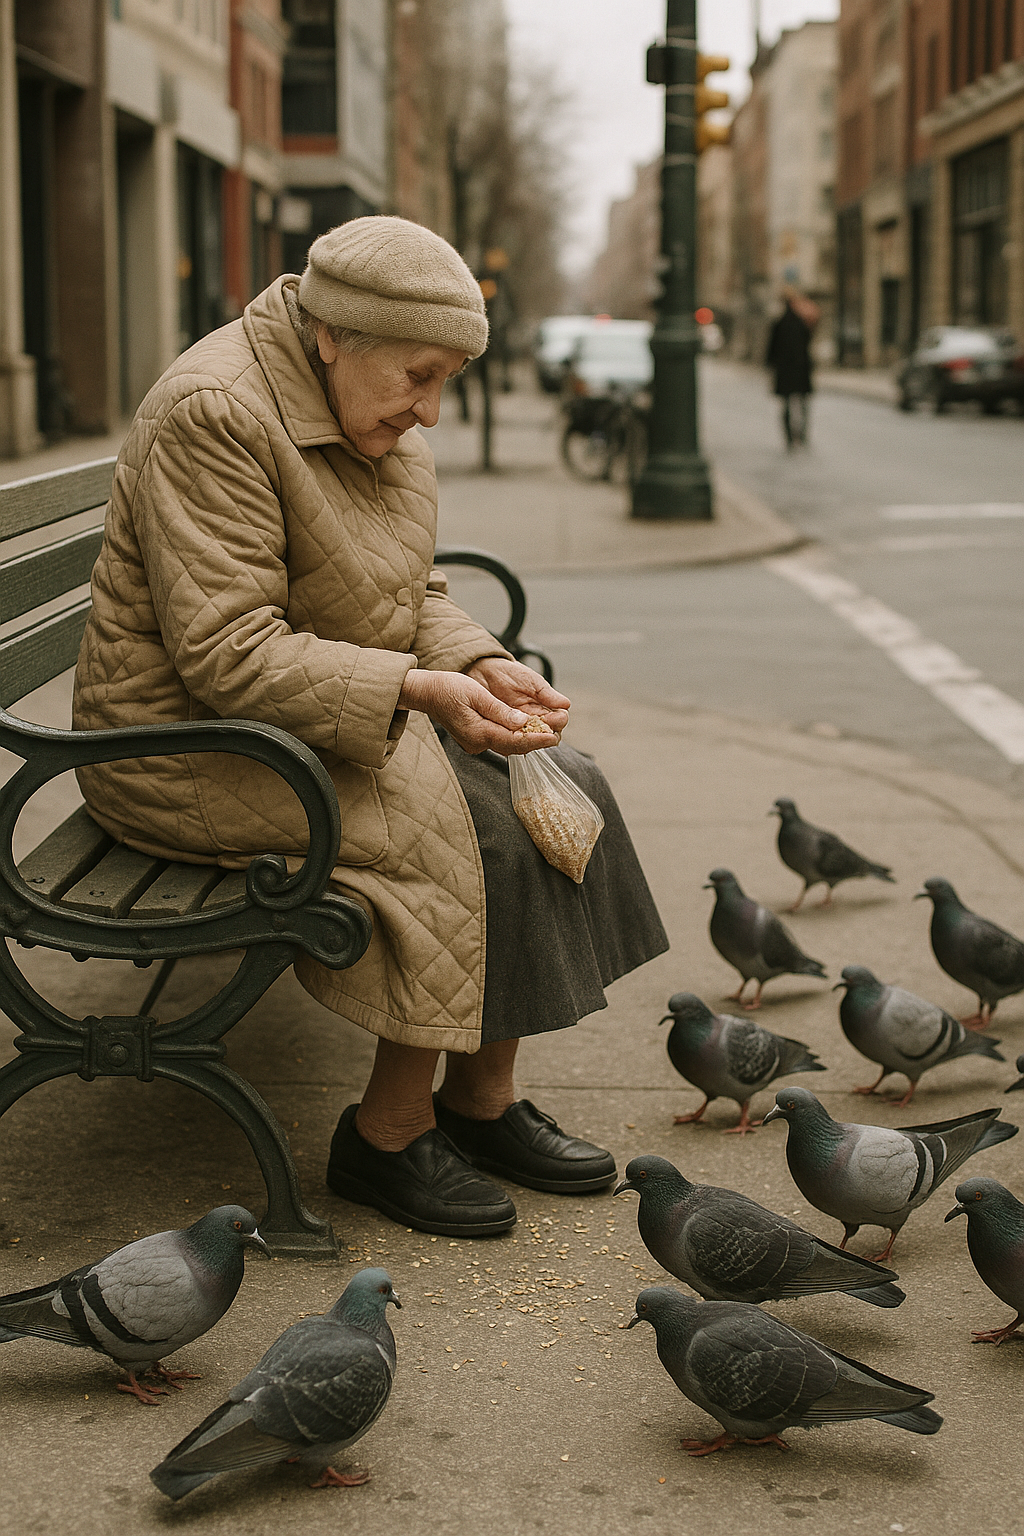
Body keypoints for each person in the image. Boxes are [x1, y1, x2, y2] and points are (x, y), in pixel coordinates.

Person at [72, 217, 668, 1238]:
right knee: (445, 826)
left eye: (448, 383)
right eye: (418, 377)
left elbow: (403, 594)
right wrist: (416, 693)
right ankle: (385, 1138)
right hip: (177, 743)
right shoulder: (215, 411)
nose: (429, 411)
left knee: (560, 784)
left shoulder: (364, 415)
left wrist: (478, 662)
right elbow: (227, 653)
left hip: (286, 718)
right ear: (331, 337)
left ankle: (480, 1103)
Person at [765, 289, 814, 448]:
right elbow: (809, 342)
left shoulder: (779, 323)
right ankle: (802, 435)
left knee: (787, 405)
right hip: (800, 370)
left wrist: (770, 367)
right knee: (802, 404)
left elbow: (771, 350)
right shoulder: (801, 323)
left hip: (785, 370)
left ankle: (789, 438)